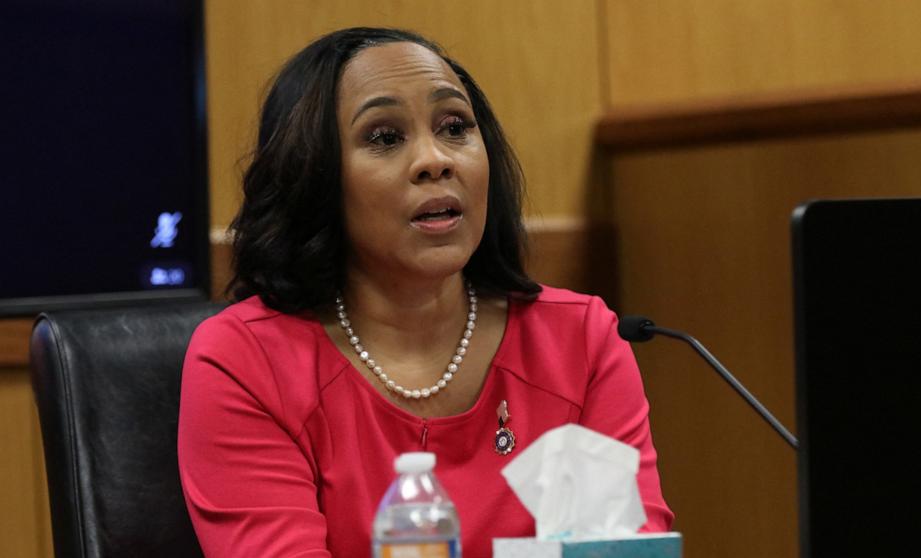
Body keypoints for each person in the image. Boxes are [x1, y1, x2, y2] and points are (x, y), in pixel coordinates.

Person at [177, 27, 673, 558]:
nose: (436, 160)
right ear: (314, 176)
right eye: (385, 137)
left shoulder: (580, 342)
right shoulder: (247, 361)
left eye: (455, 126)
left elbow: (624, 548)